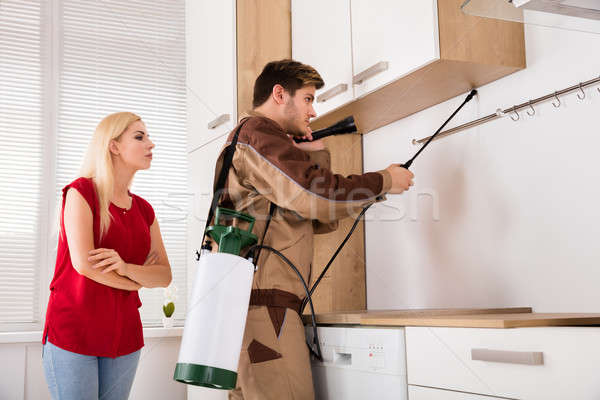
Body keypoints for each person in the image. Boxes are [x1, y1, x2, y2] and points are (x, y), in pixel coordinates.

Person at [211, 60, 414, 400]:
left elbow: (313, 218)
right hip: (264, 310)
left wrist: (313, 155)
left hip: (251, 306)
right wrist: (385, 180)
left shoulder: (254, 139)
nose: (313, 111)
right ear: (279, 94)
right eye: (307, 99)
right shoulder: (257, 135)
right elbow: (315, 195)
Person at [41, 112, 172, 400]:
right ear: (113, 146)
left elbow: (164, 275)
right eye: (139, 137)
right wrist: (137, 279)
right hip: (74, 331)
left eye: (148, 136)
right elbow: (85, 265)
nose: (151, 144)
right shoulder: (80, 192)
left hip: (124, 335)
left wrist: (124, 267)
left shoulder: (144, 210)